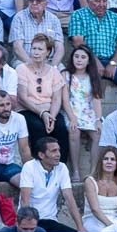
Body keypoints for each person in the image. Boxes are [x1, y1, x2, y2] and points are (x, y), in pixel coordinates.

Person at [16, 33, 70, 166]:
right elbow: (22, 97)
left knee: (61, 127)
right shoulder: (21, 69)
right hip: (27, 109)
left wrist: (51, 116)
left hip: (49, 110)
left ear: (48, 52)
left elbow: (57, 99)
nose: (36, 52)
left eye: (40, 49)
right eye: (33, 48)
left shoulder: (54, 72)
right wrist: (42, 113)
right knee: (38, 127)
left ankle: (60, 167)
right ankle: (39, 166)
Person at [19, 137, 85, 232]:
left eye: (58, 150)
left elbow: (69, 198)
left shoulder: (62, 168)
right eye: (54, 151)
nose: (58, 154)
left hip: (50, 220)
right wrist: (29, 227)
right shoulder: (29, 167)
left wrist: (80, 229)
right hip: (32, 222)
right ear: (41, 155)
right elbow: (25, 200)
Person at [64, 44, 102, 180]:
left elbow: (96, 99)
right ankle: (75, 171)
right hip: (72, 111)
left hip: (88, 111)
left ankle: (93, 172)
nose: (79, 60)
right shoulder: (66, 75)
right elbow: (65, 100)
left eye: (83, 57)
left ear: (88, 60)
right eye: (76, 56)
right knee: (74, 131)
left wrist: (98, 119)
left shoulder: (92, 76)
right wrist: (72, 118)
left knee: (98, 134)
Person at [10, 0, 63, 66]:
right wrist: (33, 66)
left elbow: (60, 48)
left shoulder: (54, 19)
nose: (34, 3)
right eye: (31, 0)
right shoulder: (19, 17)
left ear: (46, 3)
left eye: (38, 1)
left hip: (49, 62)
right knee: (20, 69)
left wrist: (53, 68)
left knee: (63, 72)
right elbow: (17, 48)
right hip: (24, 61)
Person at [82, 145, 117, 232]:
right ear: (100, 162)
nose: (109, 162)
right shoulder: (90, 181)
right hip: (94, 219)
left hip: (115, 219)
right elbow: (95, 209)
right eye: (105, 159)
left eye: (113, 159)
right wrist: (111, 226)